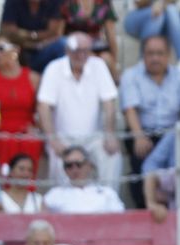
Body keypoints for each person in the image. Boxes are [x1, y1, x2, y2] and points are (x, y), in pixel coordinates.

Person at [37, 33, 121, 189]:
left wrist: (109, 134)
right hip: (63, 136)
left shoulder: (99, 65)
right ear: (67, 51)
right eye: (76, 51)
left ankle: (110, 204)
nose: (81, 55)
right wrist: (52, 139)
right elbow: (44, 107)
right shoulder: (54, 68)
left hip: (94, 137)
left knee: (112, 155)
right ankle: (63, 208)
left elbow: (109, 103)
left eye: (85, 51)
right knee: (57, 158)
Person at [120, 32, 180, 205]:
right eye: (150, 53)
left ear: (168, 55)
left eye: (160, 53)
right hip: (143, 132)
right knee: (140, 168)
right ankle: (144, 212)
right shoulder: (131, 75)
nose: (155, 58)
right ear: (143, 55)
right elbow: (130, 109)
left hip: (173, 133)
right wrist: (138, 136)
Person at [0, 33, 42, 172]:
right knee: (7, 141)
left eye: (1, 48)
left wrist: (35, 127)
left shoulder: (33, 78)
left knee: (30, 141)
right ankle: (7, 187)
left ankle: (29, 188)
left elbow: (39, 114)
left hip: (25, 129)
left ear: (15, 50)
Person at [44, 143, 125, 211]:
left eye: (79, 164)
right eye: (69, 166)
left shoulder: (107, 193)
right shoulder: (55, 194)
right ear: (65, 170)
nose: (74, 169)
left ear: (89, 166)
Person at [0, 0, 68, 72]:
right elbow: (8, 30)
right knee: (2, 44)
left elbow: (54, 33)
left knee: (63, 43)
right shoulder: (12, 2)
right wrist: (33, 41)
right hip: (19, 51)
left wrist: (27, 35)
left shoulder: (55, 2)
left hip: (44, 49)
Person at [58, 0, 118, 77]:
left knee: (107, 60)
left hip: (98, 46)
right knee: (91, 60)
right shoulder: (67, 3)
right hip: (75, 46)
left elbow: (111, 35)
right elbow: (59, 34)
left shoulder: (103, 2)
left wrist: (114, 60)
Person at [121, 0, 180, 67]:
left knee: (171, 9)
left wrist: (161, 3)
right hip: (136, 16)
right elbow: (139, 3)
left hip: (165, 18)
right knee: (158, 15)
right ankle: (143, 61)